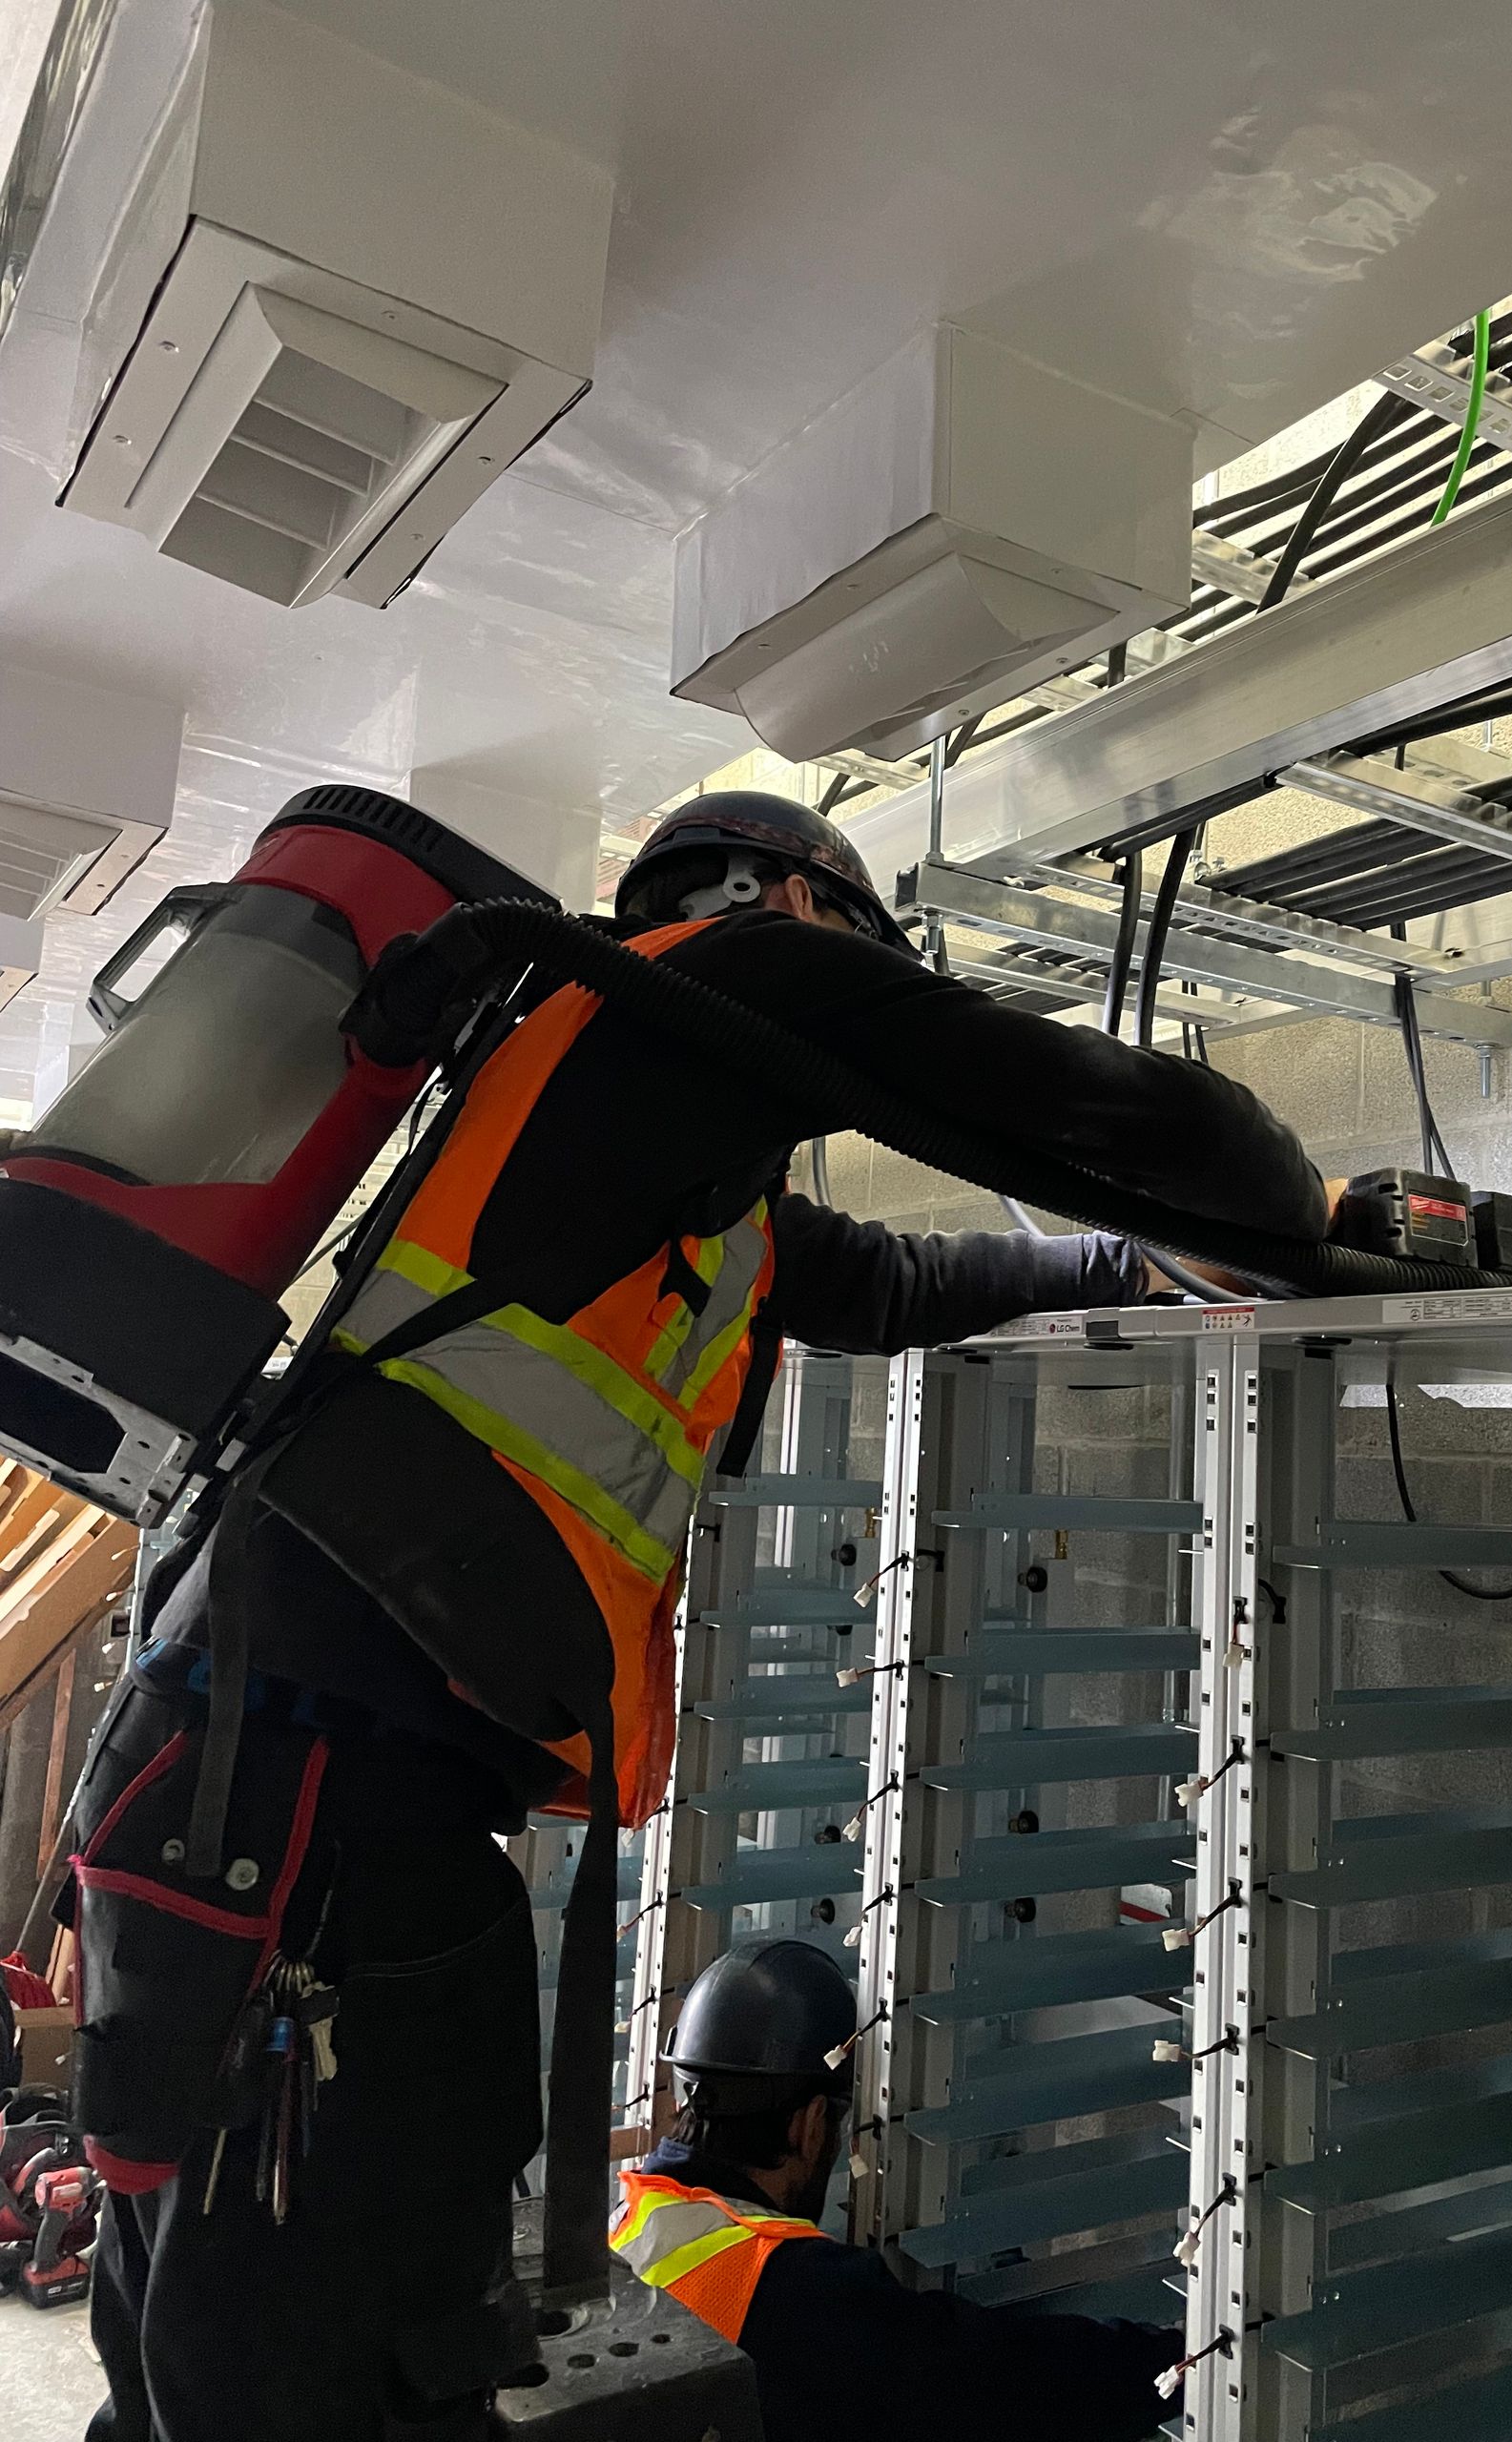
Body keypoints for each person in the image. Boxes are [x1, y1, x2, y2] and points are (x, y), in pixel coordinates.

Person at [67, 791, 1324, 2440]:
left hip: (243, 1777)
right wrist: (1301, 1223)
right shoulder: (735, 968)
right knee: (336, 2369)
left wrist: (1123, 1273)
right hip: (313, 1805)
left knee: (199, 2347)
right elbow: (1142, 1119)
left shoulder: (638, 1134)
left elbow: (888, 1281)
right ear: (804, 900)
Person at [617, 1937, 1182, 2442]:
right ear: (809, 2124)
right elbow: (1000, 2383)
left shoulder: (624, 2229)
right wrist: (1173, 2363)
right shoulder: (794, 2291)